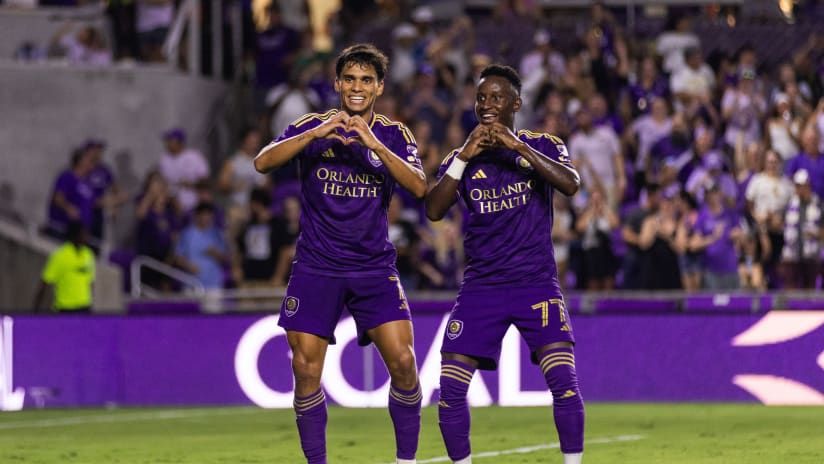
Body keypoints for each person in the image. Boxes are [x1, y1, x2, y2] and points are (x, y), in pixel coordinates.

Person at [253, 44, 427, 464]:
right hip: (316, 266)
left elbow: (420, 187)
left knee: (404, 363)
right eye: (349, 79)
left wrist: (372, 143)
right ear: (337, 83)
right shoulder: (312, 126)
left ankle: (406, 461)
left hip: (373, 267)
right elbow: (262, 162)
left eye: (366, 80)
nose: (357, 87)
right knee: (305, 369)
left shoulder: (393, 134)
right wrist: (314, 135)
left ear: (379, 87)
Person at [425, 64, 583, 464]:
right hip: (481, 289)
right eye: (481, 98)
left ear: (516, 103)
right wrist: (464, 156)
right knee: (450, 391)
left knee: (563, 383)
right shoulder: (462, 158)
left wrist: (518, 148)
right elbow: (434, 209)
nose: (487, 105)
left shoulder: (542, 144)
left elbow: (570, 184)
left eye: (496, 97)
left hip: (536, 284)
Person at [34, 221, 96, 313]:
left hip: (84, 307)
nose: (86, 237)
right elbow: (45, 283)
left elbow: (90, 282)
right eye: (83, 234)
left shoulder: (88, 254)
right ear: (75, 235)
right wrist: (35, 309)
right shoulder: (60, 256)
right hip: (65, 307)